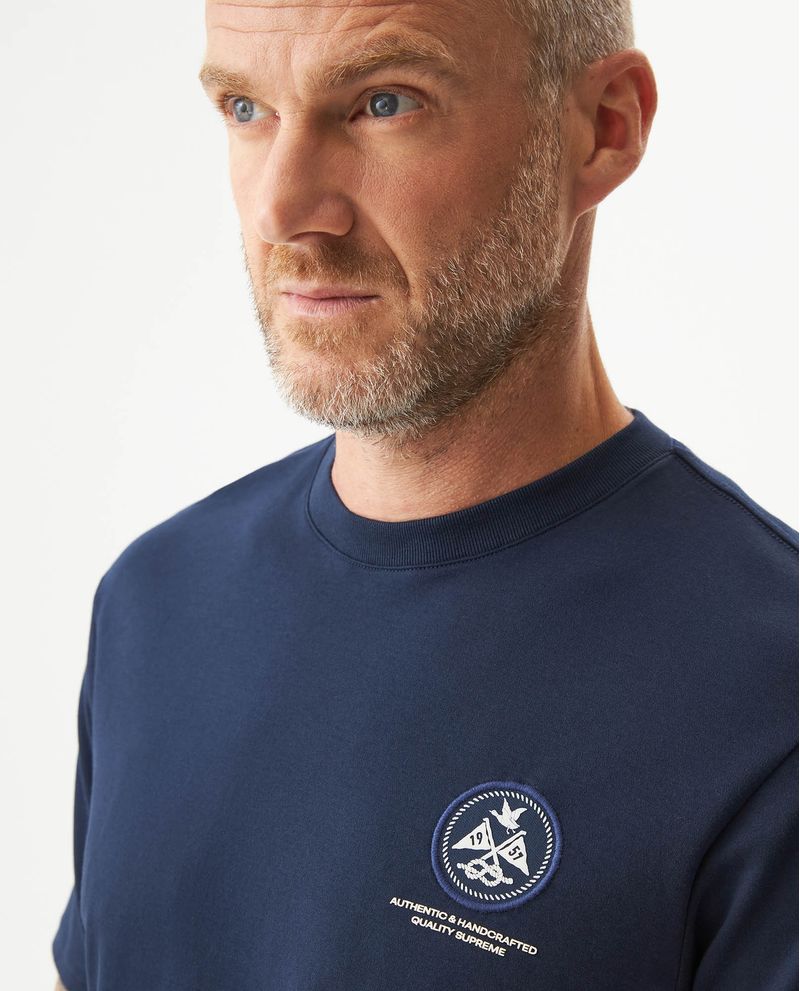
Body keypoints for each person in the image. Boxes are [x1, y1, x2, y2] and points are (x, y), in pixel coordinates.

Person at [53, 0, 798, 987]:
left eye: (383, 102)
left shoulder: (768, 692)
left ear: (602, 128)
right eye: (245, 108)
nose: (282, 208)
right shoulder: (156, 600)